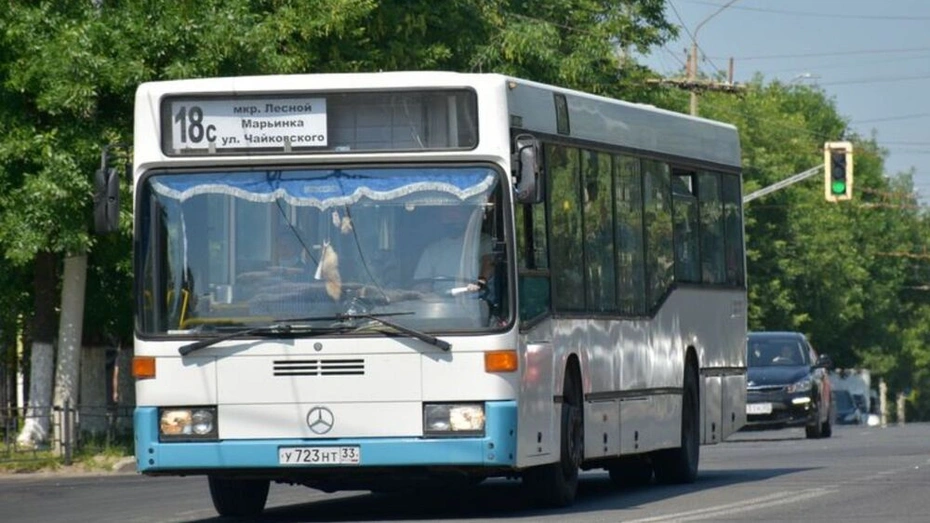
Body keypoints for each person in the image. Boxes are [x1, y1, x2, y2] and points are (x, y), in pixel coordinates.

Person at [413, 205, 493, 294]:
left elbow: (488, 262)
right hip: (440, 304)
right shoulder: (432, 250)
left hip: (475, 300)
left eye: (457, 212)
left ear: (468, 216)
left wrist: (480, 282)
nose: (453, 218)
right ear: (440, 217)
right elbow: (423, 284)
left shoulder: (483, 241)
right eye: (448, 214)